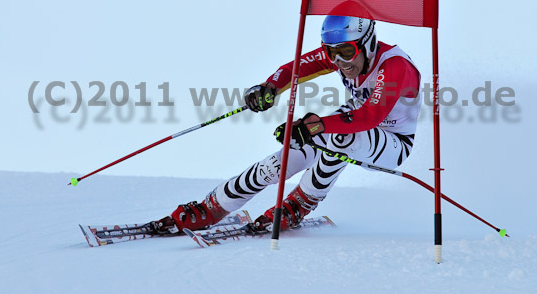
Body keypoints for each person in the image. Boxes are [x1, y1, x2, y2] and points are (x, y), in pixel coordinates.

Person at [150, 15, 421, 235]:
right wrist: (269, 87)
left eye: (347, 52)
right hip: (353, 120)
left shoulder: (395, 66)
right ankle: (215, 205)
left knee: (338, 137)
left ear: (368, 42)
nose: (339, 61)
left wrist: (315, 126)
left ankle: (300, 203)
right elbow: (297, 68)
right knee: (295, 146)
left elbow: (370, 117)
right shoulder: (343, 53)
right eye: (332, 53)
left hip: (392, 140)